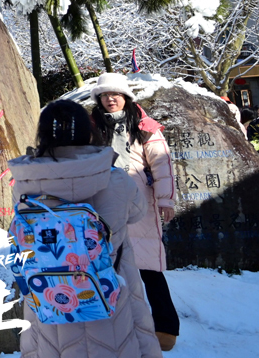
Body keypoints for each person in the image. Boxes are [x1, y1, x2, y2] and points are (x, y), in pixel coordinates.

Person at [9, 99, 161, 358]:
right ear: (87, 131)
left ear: (43, 134)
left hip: (50, 299)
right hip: (110, 296)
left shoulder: (25, 183)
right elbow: (136, 213)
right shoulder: (115, 178)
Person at [89, 73, 178, 352]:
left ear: (126, 97)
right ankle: (117, 324)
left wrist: (166, 200)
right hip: (103, 201)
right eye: (104, 95)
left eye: (115, 94)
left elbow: (161, 162)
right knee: (109, 265)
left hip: (139, 200)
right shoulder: (92, 126)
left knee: (148, 265)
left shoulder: (144, 125)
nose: (110, 99)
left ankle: (166, 326)